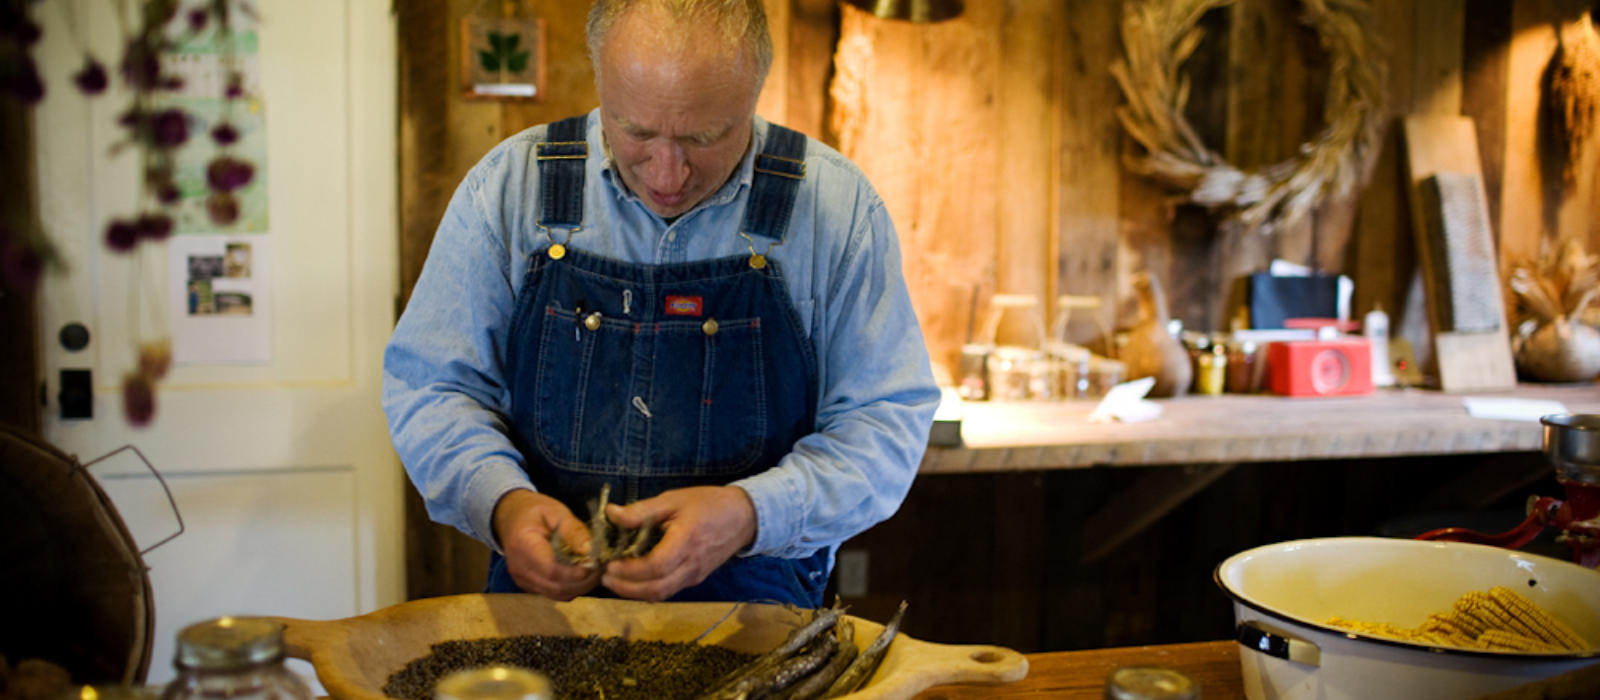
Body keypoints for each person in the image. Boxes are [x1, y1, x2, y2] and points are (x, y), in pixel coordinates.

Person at [382, 0, 938, 607]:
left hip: (752, 612)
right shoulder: (510, 190)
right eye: (636, 132)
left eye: (706, 136)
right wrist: (502, 503)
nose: (667, 175)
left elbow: (885, 421)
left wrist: (751, 513)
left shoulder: (837, 209)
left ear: (754, 94)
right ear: (599, 80)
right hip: (545, 610)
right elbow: (433, 388)